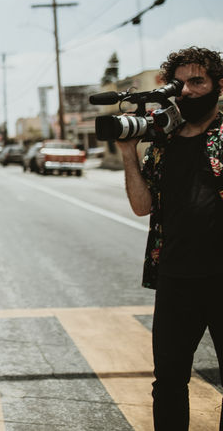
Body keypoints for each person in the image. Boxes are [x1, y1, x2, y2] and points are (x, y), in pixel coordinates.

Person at [117, 46, 223, 430]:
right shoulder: (163, 142)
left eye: (199, 81)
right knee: (169, 384)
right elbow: (142, 207)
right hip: (176, 278)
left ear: (218, 86)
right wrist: (129, 152)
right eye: (182, 83)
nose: (190, 91)